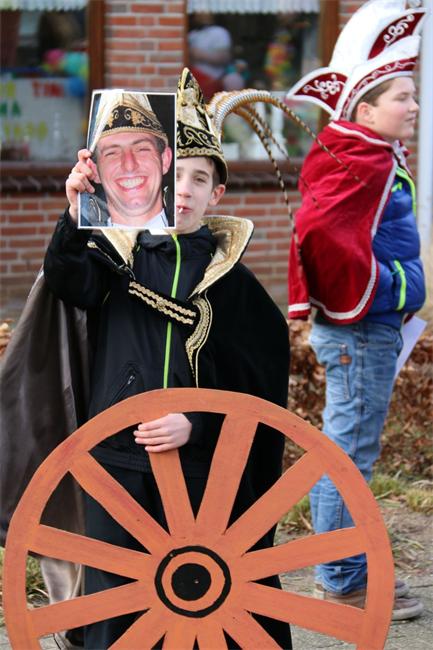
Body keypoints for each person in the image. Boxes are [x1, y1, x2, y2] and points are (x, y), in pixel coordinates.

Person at [42, 68, 292, 648]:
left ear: (216, 194)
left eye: (199, 179)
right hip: (117, 464)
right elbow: (67, 280)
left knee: (205, 598)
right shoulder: (111, 260)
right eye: (176, 175)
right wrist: (76, 212)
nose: (184, 191)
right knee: (120, 603)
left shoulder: (236, 288)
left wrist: (197, 423)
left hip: (203, 472)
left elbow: (258, 389)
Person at [286, 0, 426, 621]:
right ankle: (342, 580)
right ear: (365, 110)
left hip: (367, 329)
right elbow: (318, 231)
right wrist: (389, 285)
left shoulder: (367, 152)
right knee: (348, 455)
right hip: (361, 329)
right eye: (403, 97)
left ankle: (344, 572)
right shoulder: (359, 158)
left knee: (349, 450)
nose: (414, 106)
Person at [79, 91, 174, 229]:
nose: (129, 165)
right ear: (94, 170)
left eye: (142, 149)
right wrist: (72, 223)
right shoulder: (79, 241)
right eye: (112, 153)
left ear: (165, 159)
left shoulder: (195, 236)